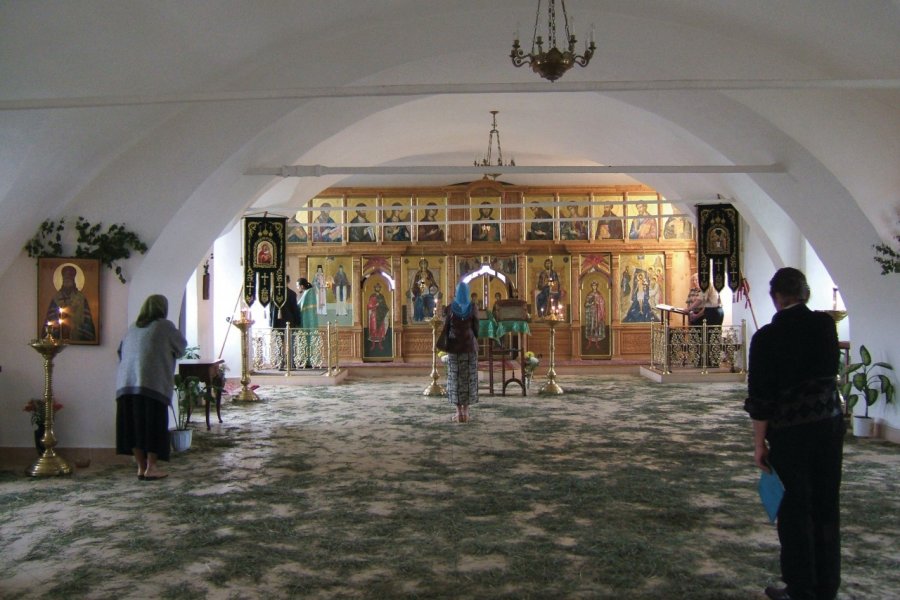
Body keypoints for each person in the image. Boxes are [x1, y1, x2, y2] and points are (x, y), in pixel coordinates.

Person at [744, 267, 844, 600]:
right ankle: (827, 585)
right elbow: (830, 374)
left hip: (790, 435)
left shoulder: (767, 338)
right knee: (826, 503)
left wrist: (759, 443)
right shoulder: (825, 326)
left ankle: (800, 587)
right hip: (829, 429)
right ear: (806, 294)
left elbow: (760, 400)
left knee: (794, 509)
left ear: (776, 298)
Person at [115, 294, 187, 480]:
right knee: (152, 426)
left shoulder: (132, 328)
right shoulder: (164, 326)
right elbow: (181, 347)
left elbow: (120, 351)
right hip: (151, 385)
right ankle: (152, 468)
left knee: (134, 428)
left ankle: (141, 467)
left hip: (126, 384)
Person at [443, 281, 480, 423]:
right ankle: (466, 412)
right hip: (469, 347)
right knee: (469, 379)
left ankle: (458, 413)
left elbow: (446, 327)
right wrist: (471, 337)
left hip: (454, 348)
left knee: (455, 379)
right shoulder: (473, 307)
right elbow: (476, 328)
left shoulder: (451, 308)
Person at [46, 264, 97, 342]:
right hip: (59, 335)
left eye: (70, 278)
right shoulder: (56, 298)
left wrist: (78, 327)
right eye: (65, 278)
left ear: (73, 280)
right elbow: (51, 319)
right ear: (62, 279)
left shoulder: (81, 298)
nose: (67, 280)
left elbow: (87, 321)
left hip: (77, 334)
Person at [297, 278, 317, 367]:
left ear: (302, 286)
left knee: (308, 340)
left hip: (308, 322)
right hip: (306, 322)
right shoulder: (307, 293)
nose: (297, 288)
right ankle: (306, 360)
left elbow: (300, 307)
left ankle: (308, 361)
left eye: (298, 286)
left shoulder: (309, 293)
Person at [583, 281, 607, 350]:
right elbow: (586, 305)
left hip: (597, 314)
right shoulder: (589, 295)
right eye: (593, 286)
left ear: (597, 286)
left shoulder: (599, 294)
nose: (594, 287)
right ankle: (589, 343)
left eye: (595, 285)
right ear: (591, 286)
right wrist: (592, 303)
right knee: (591, 327)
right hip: (591, 314)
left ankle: (597, 343)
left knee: (596, 328)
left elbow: (602, 303)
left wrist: (599, 303)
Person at [366, 282, 390, 351]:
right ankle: (373, 345)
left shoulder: (382, 296)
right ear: (374, 288)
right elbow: (369, 306)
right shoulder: (372, 296)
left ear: (380, 289)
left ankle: (380, 344)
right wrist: (375, 305)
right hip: (374, 315)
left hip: (381, 315)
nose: (377, 288)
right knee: (373, 330)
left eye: (379, 287)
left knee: (380, 330)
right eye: (376, 287)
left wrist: (386, 309)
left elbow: (384, 305)